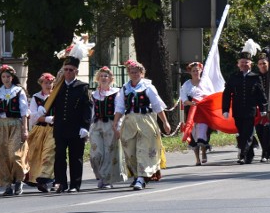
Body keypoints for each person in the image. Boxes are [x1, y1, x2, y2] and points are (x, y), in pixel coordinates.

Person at [113, 60, 171, 190]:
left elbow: (157, 106)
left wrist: (165, 122)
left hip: (145, 121)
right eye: (132, 72)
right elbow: (120, 107)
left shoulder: (148, 87)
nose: (134, 74)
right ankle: (137, 174)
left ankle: (141, 178)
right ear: (129, 73)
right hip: (129, 122)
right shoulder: (125, 88)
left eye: (137, 72)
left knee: (144, 150)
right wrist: (116, 122)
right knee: (130, 150)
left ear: (142, 73)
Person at [50, 46, 93, 193]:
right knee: (59, 156)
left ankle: (75, 184)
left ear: (76, 71)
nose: (67, 72)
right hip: (61, 128)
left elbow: (87, 108)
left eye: (70, 70)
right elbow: (51, 104)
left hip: (76, 128)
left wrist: (85, 126)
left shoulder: (82, 87)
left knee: (76, 157)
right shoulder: (58, 87)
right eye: (66, 69)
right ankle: (60, 182)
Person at [0, 65, 30, 196]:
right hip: (1, 126)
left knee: (15, 154)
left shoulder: (18, 91)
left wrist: (25, 129)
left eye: (8, 76)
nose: (6, 79)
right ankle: (7, 184)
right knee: (1, 153)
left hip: (16, 125)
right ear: (0, 78)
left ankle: (18, 180)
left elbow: (24, 112)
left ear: (12, 77)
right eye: (3, 77)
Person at [222, 41, 268, 164]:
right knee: (242, 133)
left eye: (246, 63)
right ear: (238, 64)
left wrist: (263, 108)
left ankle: (242, 155)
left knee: (247, 133)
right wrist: (225, 109)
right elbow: (227, 94)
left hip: (250, 110)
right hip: (237, 110)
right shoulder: (233, 77)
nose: (244, 65)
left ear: (250, 64)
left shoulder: (255, 77)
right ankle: (250, 154)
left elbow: (261, 94)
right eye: (241, 63)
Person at [89, 66, 125, 189]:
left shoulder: (116, 93)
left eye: (106, 76)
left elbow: (119, 110)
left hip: (110, 124)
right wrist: (88, 127)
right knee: (95, 153)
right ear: (98, 78)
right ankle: (99, 175)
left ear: (111, 79)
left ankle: (106, 180)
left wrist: (118, 127)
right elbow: (92, 112)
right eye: (102, 76)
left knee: (109, 153)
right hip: (97, 125)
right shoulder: (94, 94)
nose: (104, 78)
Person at [26, 72, 57, 193]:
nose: (48, 85)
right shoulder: (36, 97)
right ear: (41, 84)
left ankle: (45, 181)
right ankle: (40, 178)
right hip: (39, 129)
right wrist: (45, 118)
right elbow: (32, 116)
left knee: (48, 154)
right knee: (35, 154)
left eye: (50, 82)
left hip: (53, 130)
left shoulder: (56, 96)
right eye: (46, 83)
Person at [180, 61, 213, 165]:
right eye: (193, 71)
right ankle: (197, 159)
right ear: (190, 72)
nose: (195, 72)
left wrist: (203, 101)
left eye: (197, 70)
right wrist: (191, 103)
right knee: (193, 133)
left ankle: (203, 151)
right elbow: (184, 99)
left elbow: (212, 95)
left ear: (201, 70)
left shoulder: (206, 83)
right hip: (191, 111)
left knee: (202, 132)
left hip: (203, 111)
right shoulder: (186, 84)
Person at [256, 51, 270, 162]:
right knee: (259, 129)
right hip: (259, 107)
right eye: (260, 64)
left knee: (267, 129)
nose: (263, 66)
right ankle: (265, 150)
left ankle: (266, 152)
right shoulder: (255, 77)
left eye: (264, 63)